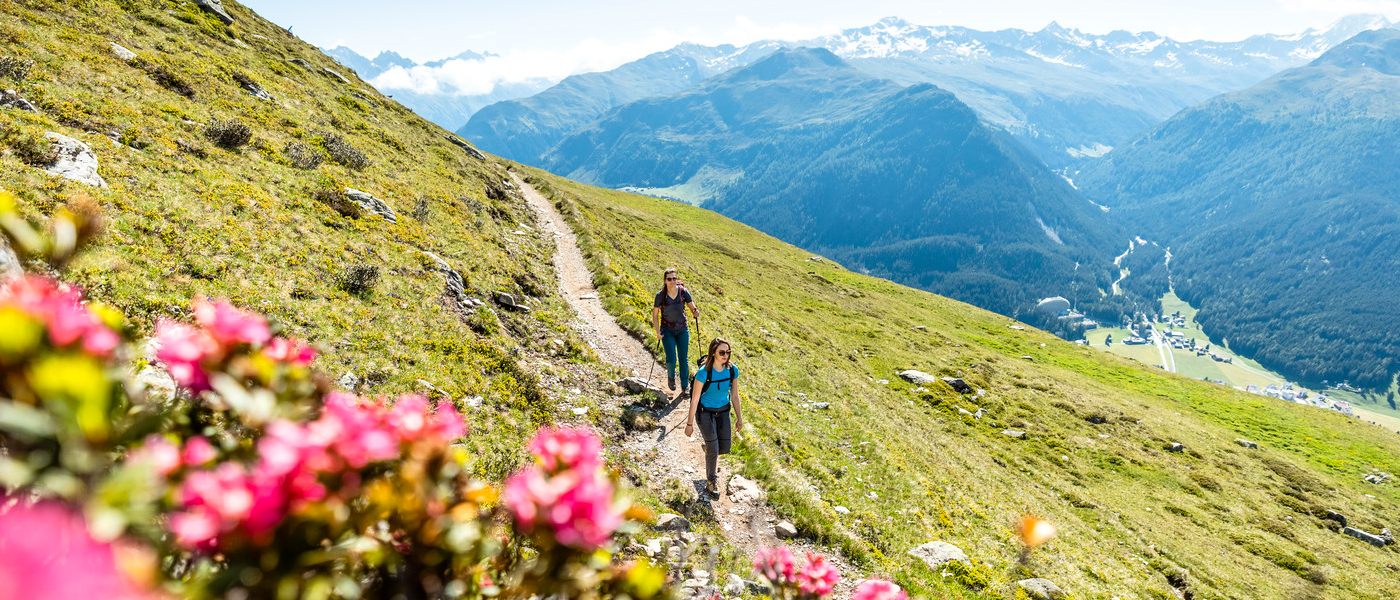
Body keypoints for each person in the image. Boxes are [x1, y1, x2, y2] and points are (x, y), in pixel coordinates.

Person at [685, 338, 743, 496]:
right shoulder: (703, 373)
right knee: (714, 449)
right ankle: (711, 482)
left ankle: (710, 449)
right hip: (705, 413)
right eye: (722, 352)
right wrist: (689, 424)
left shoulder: (732, 370)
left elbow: (735, 395)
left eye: (728, 352)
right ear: (713, 353)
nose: (726, 355)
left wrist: (739, 418)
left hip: (723, 411)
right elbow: (695, 399)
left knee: (724, 448)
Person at [653, 268, 699, 395]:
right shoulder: (660, 296)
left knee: (683, 358)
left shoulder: (683, 292)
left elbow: (692, 307)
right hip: (667, 330)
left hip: (682, 329)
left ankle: (685, 386)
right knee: (671, 358)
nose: (672, 281)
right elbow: (655, 315)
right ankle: (671, 377)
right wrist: (658, 331)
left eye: (674, 278)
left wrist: (695, 312)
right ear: (665, 280)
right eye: (669, 279)